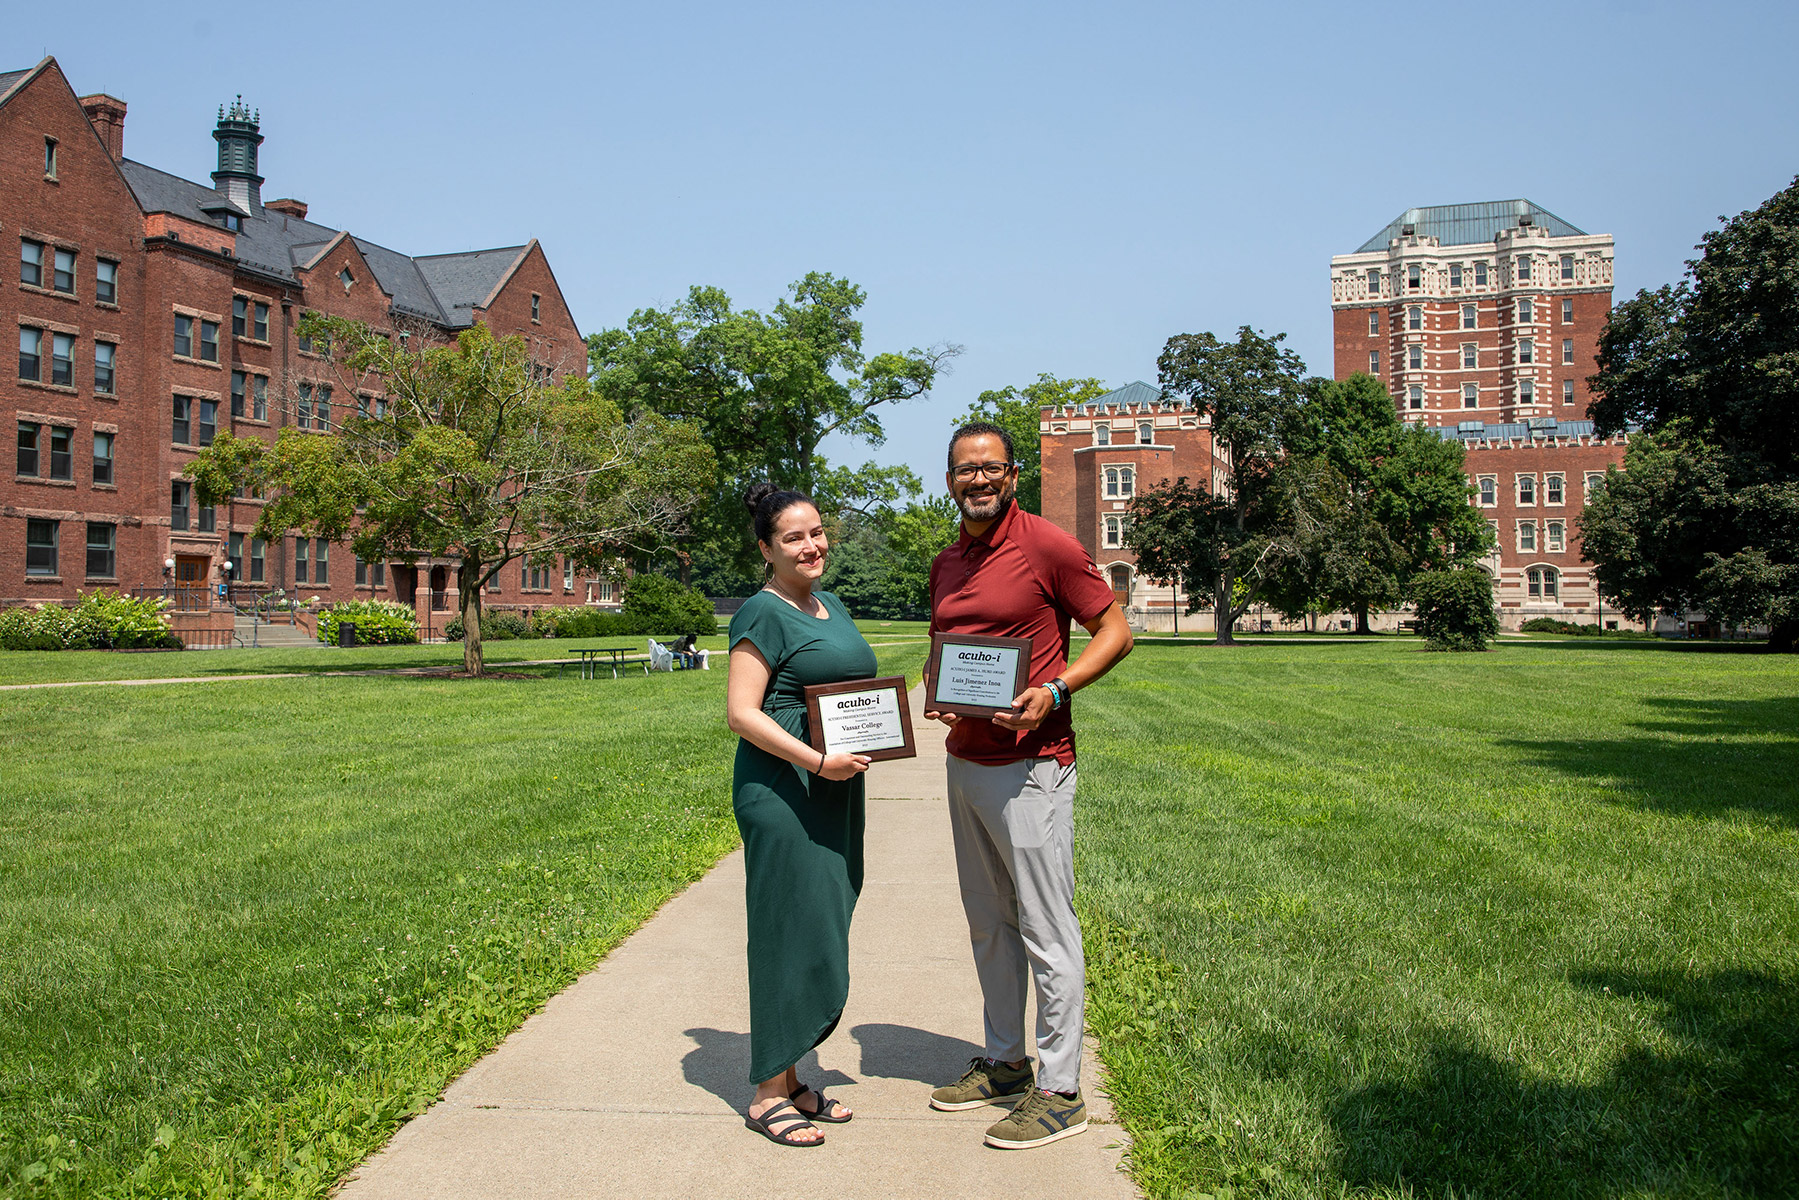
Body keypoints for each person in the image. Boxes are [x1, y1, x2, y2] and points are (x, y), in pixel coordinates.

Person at [923, 420, 1134, 1150]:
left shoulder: (1046, 544)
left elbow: (1115, 629)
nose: (976, 481)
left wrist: (1056, 687)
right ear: (948, 480)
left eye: (989, 469)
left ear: (1011, 475)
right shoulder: (948, 560)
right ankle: (1005, 1064)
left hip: (1033, 767)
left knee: (1046, 926)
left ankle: (1061, 1089)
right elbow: (945, 646)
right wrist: (937, 687)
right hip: (964, 762)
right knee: (988, 923)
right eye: (962, 471)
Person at [725, 483, 876, 1147]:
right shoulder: (761, 612)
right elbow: (741, 712)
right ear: (765, 549)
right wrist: (816, 763)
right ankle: (765, 1091)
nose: (810, 545)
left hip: (833, 785)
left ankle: (790, 1076)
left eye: (816, 532)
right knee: (786, 928)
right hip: (786, 790)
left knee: (820, 921)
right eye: (792, 537)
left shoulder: (829, 604)